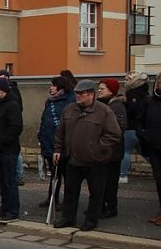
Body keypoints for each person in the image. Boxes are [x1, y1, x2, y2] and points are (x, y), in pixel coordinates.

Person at [53, 80, 122, 232]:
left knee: (96, 193)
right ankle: (68, 218)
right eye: (76, 93)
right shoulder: (70, 110)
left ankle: (91, 220)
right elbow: (60, 133)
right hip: (74, 158)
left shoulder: (104, 111)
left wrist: (97, 148)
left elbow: (114, 134)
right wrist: (58, 149)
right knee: (70, 191)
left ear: (90, 94)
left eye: (80, 94)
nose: (77, 96)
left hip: (96, 161)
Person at [0, 76, 23, 222]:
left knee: (10, 181)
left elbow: (16, 127)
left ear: (2, 90)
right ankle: (4, 207)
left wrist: (2, 141)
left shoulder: (12, 105)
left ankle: (12, 210)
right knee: (1, 182)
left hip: (8, 150)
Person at [36, 76, 73, 210]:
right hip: (48, 141)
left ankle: (68, 201)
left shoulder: (69, 101)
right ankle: (52, 197)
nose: (51, 88)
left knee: (66, 174)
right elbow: (44, 119)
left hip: (62, 144)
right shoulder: (50, 102)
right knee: (54, 173)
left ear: (61, 87)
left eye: (53, 85)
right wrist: (41, 135)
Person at [96, 78, 127, 219]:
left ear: (111, 91)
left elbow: (119, 129)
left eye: (102, 88)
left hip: (113, 151)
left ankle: (111, 207)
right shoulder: (99, 105)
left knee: (110, 181)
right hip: (101, 150)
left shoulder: (117, 106)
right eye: (99, 88)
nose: (99, 90)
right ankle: (100, 206)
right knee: (100, 180)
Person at [137, 73, 161, 225]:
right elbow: (139, 121)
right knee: (159, 180)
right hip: (154, 147)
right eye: (159, 82)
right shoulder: (149, 102)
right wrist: (144, 135)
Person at [121, 71, 150, 183]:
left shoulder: (133, 93)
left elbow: (133, 109)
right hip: (141, 127)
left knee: (126, 151)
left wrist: (125, 109)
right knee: (144, 151)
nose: (125, 82)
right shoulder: (144, 92)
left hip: (131, 126)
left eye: (127, 80)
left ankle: (123, 175)